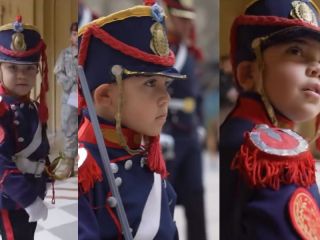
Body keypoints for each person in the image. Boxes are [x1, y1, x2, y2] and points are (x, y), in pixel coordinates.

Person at [77, 1, 185, 239]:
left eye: (165, 84)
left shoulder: (144, 154)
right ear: (105, 96)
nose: (165, 97)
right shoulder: (84, 171)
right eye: (150, 83)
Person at [220, 0, 320, 239]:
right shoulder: (273, 156)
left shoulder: (234, 131)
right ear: (248, 74)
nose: (316, 68)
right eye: (296, 51)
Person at [0, 16, 50, 239]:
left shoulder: (33, 107)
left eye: (29, 68)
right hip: (11, 198)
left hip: (32, 190)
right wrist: (28, 200)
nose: (22, 75)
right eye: (12, 67)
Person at [161, 0, 207, 239]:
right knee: (164, 199)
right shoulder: (161, 51)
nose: (187, 22)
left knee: (196, 196)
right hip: (169, 135)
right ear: (169, 16)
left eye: (189, 17)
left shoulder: (188, 52)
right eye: (181, 17)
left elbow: (196, 95)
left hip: (190, 134)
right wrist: (161, 129)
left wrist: (199, 124)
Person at [54, 22, 78, 178]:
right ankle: (68, 162)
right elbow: (58, 72)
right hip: (71, 96)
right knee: (69, 127)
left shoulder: (89, 53)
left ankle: (81, 163)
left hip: (87, 97)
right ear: (71, 36)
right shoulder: (65, 54)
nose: (77, 37)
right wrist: (70, 83)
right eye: (75, 34)